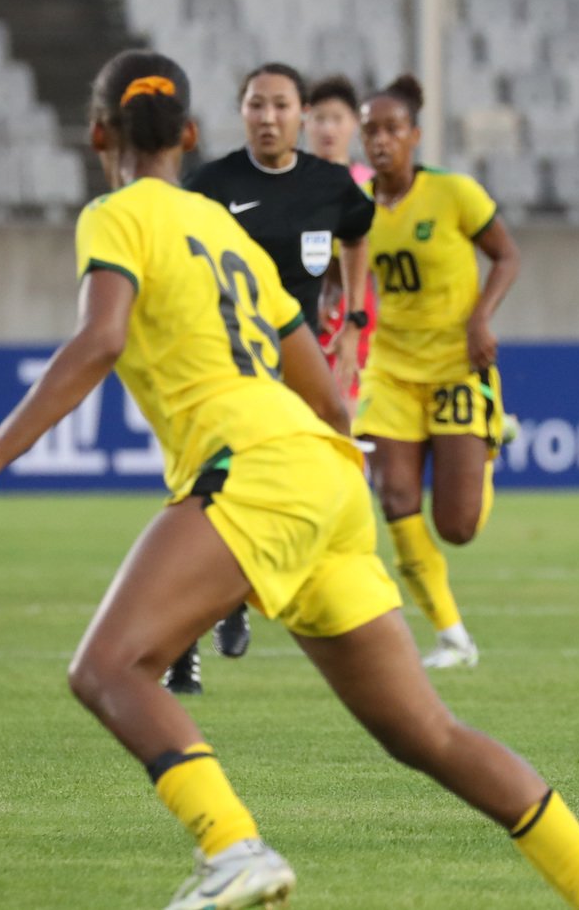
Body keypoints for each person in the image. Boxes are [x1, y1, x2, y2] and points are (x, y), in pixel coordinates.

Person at [0, 49, 579, 910]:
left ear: (98, 134)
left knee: (107, 667)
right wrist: (293, 531)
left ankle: (234, 848)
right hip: (324, 475)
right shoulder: (228, 232)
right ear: (190, 133)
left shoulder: (115, 214)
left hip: (251, 466)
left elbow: (102, 338)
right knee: (428, 733)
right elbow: (329, 398)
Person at [163, 62, 376, 694]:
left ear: (302, 114)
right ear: (242, 112)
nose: (268, 117)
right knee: (207, 491)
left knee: (284, 495)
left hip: (300, 366)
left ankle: (240, 596)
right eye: (256, 105)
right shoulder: (210, 184)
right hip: (226, 370)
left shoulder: (331, 185)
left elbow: (358, 234)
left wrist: (354, 312)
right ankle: (184, 645)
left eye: (281, 105)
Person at [354, 74, 520, 670]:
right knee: (394, 495)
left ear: (414, 136)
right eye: (370, 130)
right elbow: (344, 280)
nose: (380, 140)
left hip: (456, 367)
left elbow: (506, 253)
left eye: (391, 129)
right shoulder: (359, 209)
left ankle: (494, 435)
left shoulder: (453, 193)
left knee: (457, 526)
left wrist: (481, 317)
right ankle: (451, 634)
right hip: (391, 370)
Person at [305, 73, 376, 415]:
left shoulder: (368, 187)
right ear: (305, 122)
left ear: (354, 125)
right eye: (319, 119)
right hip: (301, 318)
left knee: (348, 420)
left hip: (360, 319)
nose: (327, 129)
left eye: (337, 119)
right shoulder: (290, 188)